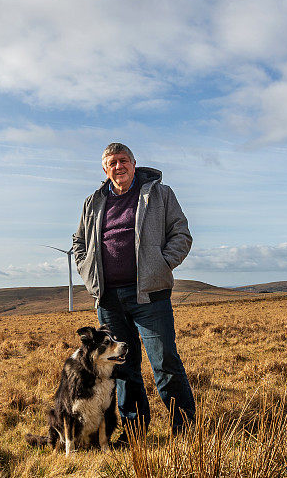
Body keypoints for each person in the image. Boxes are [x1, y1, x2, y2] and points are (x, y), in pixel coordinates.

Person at [72, 142, 195, 439]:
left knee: (164, 361)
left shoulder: (160, 194)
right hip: (109, 299)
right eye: (112, 162)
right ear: (105, 169)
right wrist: (88, 273)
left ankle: (185, 429)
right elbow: (78, 243)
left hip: (149, 295)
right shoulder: (93, 202)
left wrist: (161, 266)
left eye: (123, 160)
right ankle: (134, 432)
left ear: (134, 164)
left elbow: (181, 233)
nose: (118, 167)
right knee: (124, 369)